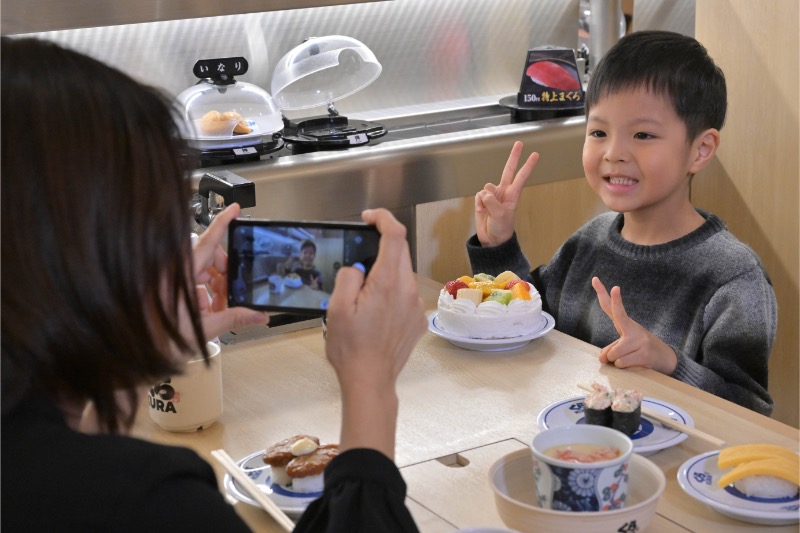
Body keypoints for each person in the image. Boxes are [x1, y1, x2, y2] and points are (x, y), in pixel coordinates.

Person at [1, 36, 426, 532]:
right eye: (152, 221)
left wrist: (131, 344)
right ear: (81, 254)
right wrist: (370, 386)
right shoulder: (151, 504)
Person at [467, 31, 776, 415]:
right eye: (598, 132)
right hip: (575, 443)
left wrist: (669, 363)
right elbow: (529, 321)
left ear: (700, 149)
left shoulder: (733, 278)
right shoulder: (589, 241)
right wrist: (499, 246)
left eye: (643, 135)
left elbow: (749, 413)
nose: (614, 153)